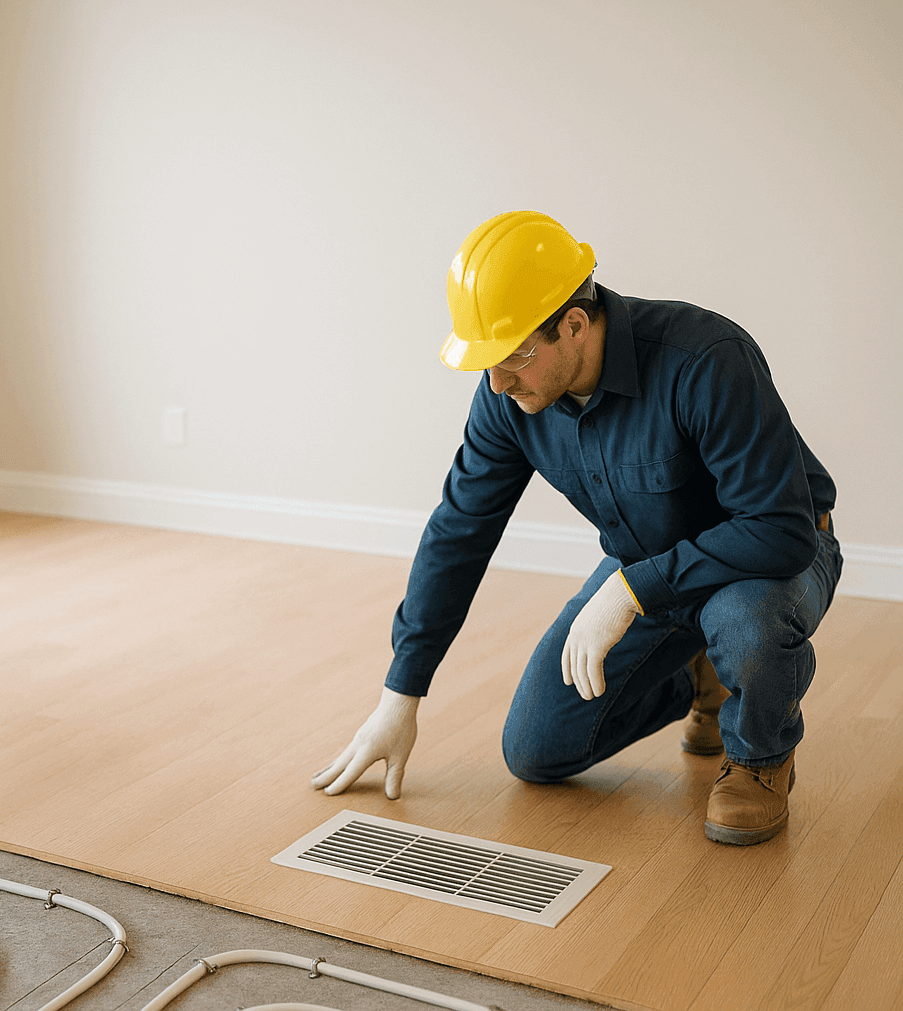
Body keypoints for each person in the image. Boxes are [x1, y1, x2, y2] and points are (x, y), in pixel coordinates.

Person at [311, 211, 840, 846]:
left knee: (745, 621)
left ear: (574, 325)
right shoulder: (507, 396)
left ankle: (760, 756)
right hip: (648, 567)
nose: (498, 383)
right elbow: (460, 528)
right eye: (487, 364)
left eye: (514, 356)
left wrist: (630, 590)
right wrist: (401, 692)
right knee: (536, 749)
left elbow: (779, 530)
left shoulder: (705, 360)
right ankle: (701, 674)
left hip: (770, 557)